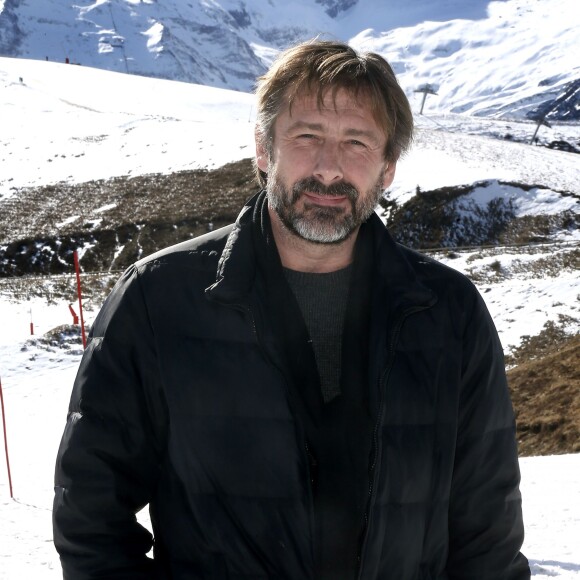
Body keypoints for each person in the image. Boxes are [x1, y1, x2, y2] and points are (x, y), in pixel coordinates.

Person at [53, 39, 530, 579]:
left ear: (388, 167)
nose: (329, 169)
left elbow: (487, 538)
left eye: (357, 142)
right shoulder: (159, 300)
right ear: (263, 148)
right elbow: (91, 516)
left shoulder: (449, 314)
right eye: (307, 137)